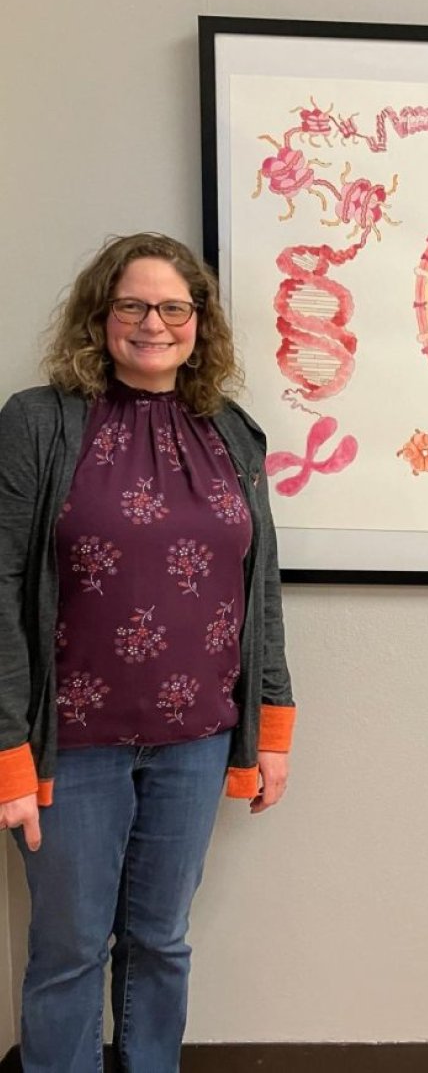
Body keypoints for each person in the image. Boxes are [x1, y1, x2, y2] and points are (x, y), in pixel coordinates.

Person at [0, 233, 296, 1071]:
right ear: (102, 316)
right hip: (72, 744)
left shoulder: (233, 433)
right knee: (70, 952)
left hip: (196, 740)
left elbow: (260, 591)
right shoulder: (38, 422)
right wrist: (6, 753)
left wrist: (271, 728)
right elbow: (0, 585)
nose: (153, 323)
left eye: (173, 306)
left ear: (197, 323)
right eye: (132, 304)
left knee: (162, 941)